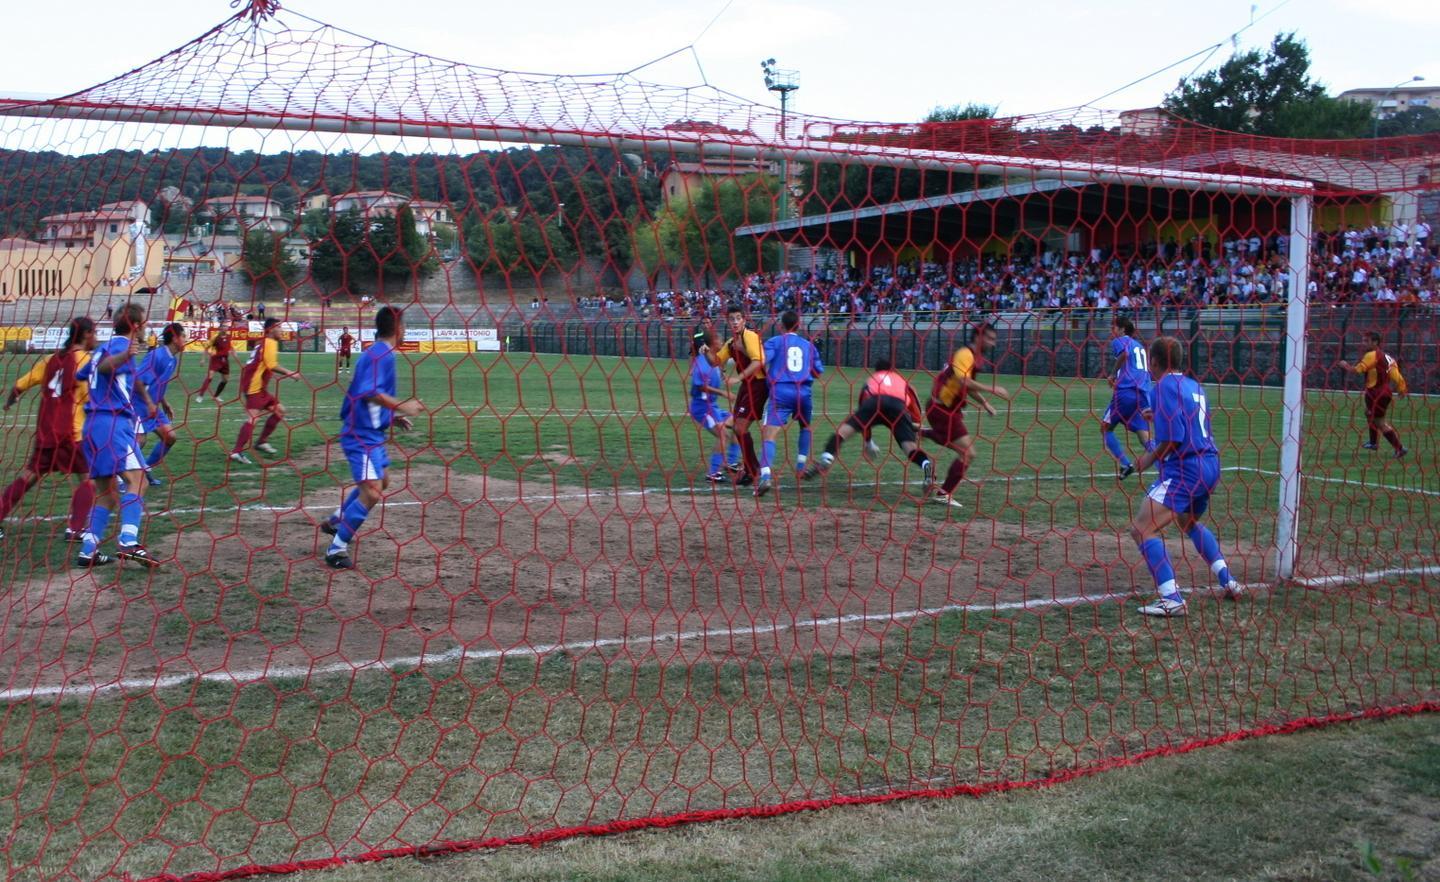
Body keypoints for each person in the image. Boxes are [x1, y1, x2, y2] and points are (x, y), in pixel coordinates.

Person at [1127, 336, 1241, 617]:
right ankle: (1227, 578)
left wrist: (1146, 459)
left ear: (1153, 362)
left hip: (1186, 469)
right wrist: (1159, 414)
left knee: (1142, 529)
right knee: (1187, 522)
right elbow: (1188, 419)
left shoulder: (1161, 386)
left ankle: (1171, 597)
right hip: (1211, 465)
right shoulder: (1193, 385)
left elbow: (1174, 438)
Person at [321, 306, 424, 569]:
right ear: (399, 328)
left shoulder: (377, 352)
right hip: (361, 435)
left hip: (370, 432)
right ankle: (337, 548)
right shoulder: (382, 355)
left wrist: (392, 417)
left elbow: (365, 397)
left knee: (383, 481)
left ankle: (337, 520)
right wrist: (403, 405)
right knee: (373, 491)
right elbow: (368, 392)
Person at [0, 317, 99, 545]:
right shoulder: (85, 361)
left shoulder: (50, 359)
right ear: (85, 335)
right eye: (93, 332)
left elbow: (20, 385)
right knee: (90, 479)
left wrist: (10, 401)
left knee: (29, 477)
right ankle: (75, 529)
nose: (96, 337)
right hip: (70, 433)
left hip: (46, 431)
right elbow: (92, 398)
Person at [77, 302, 161, 567]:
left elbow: (84, 372)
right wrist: (124, 357)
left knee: (107, 495)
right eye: (144, 322)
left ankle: (88, 550)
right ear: (136, 325)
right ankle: (128, 543)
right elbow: (104, 368)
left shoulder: (102, 348)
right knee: (139, 481)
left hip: (92, 425)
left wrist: (146, 399)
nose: (146, 326)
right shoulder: (121, 347)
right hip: (112, 424)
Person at [800, 359, 936, 497]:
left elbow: (863, 411)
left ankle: (826, 458)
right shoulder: (903, 381)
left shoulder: (871, 380)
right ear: (892, 370)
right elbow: (915, 409)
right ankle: (925, 464)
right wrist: (915, 427)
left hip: (874, 402)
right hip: (898, 408)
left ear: (876, 371)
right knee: (910, 448)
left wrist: (868, 441)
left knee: (842, 432)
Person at [922, 322, 1011, 508]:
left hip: (947, 410)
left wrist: (985, 403)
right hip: (942, 410)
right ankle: (943, 494)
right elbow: (964, 380)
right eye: (990, 339)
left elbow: (967, 385)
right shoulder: (965, 354)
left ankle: (925, 433)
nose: (993, 344)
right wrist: (992, 389)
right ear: (978, 337)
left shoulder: (973, 357)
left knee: (963, 450)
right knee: (967, 453)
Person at [755, 310, 823, 497]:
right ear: (799, 326)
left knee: (769, 434)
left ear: (781, 326)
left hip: (781, 392)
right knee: (805, 427)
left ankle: (765, 476)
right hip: (803, 392)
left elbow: (761, 360)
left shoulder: (776, 341)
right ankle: (801, 467)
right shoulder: (808, 346)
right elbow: (818, 371)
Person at [704, 305, 766, 486]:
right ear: (728, 322)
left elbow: (759, 361)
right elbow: (715, 361)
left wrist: (737, 377)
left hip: (757, 386)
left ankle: (753, 470)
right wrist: (706, 351)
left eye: (738, 318)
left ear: (744, 320)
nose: (735, 322)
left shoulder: (750, 337)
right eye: (732, 319)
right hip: (746, 387)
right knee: (738, 428)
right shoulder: (731, 343)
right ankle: (750, 470)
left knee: (739, 428)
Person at [230, 318, 300, 465]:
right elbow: (272, 365)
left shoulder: (263, 342)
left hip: (259, 388)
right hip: (254, 387)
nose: (282, 330)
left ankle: (261, 442)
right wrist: (291, 373)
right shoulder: (269, 342)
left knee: (280, 411)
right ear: (271, 329)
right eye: (279, 327)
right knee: (253, 419)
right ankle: (236, 452)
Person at [1338, 331, 1408, 459]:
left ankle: (1399, 448)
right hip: (1383, 392)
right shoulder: (1387, 357)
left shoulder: (1371, 355)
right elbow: (1395, 375)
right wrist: (1402, 387)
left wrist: (1345, 365)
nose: (1363, 343)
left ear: (1375, 342)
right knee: (1368, 413)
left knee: (1380, 422)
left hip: (1376, 393)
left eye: (1366, 341)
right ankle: (1373, 442)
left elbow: (1358, 370)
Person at [1100, 316, 1155, 479]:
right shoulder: (1140, 346)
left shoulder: (1120, 341)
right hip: (1143, 394)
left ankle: (1125, 464)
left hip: (1126, 392)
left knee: (1105, 428)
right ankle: (1166, 463)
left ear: (1122, 329)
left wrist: (1112, 375)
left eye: (1114, 327)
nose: (1113, 330)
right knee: (1143, 435)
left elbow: (1123, 354)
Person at [688, 328, 741, 483]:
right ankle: (713, 472)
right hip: (702, 408)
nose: (721, 342)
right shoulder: (701, 364)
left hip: (712, 406)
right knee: (723, 433)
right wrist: (724, 393)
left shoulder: (714, 360)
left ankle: (731, 463)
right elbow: (700, 386)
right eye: (718, 339)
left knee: (737, 425)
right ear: (711, 343)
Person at [136, 322, 186, 487]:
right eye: (183, 336)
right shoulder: (156, 356)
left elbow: (158, 383)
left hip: (153, 405)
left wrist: (164, 402)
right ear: (174, 338)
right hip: (139, 403)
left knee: (170, 437)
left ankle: (145, 469)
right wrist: (150, 404)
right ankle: (122, 478)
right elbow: (139, 382)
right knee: (139, 442)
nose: (186, 339)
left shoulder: (173, 360)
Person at [195, 321, 234, 403]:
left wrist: (232, 351)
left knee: (225, 380)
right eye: (224, 326)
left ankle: (216, 396)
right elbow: (206, 347)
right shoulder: (215, 337)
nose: (225, 328)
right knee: (210, 377)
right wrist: (203, 359)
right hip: (216, 359)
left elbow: (229, 346)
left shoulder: (229, 336)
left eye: (226, 326)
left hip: (225, 361)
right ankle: (200, 396)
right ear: (220, 327)